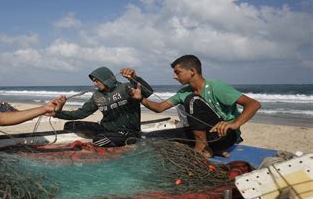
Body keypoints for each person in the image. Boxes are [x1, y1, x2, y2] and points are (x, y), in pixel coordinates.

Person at [130, 54, 261, 158]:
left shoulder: (216, 86)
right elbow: (159, 108)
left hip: (224, 136)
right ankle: (211, 150)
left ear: (192, 71)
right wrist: (141, 98)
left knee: (192, 100)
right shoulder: (183, 92)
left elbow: (253, 104)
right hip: (200, 135)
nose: (174, 76)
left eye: (177, 72)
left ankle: (201, 149)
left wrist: (235, 124)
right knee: (148, 138)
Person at [52, 67, 153, 147]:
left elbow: (148, 92)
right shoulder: (97, 96)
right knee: (70, 125)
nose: (95, 83)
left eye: (97, 80)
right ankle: (107, 138)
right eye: (93, 81)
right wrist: (56, 114)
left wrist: (134, 78)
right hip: (105, 128)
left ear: (105, 78)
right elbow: (81, 113)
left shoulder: (126, 87)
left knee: (99, 140)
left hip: (128, 131)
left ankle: (114, 140)